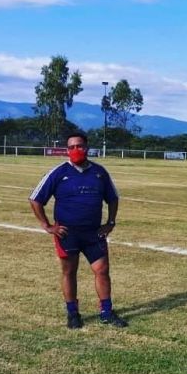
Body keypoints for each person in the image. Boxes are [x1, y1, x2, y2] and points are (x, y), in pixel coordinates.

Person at [29, 132, 127, 329]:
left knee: (102, 271)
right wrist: (47, 225)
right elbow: (35, 199)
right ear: (67, 150)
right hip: (67, 234)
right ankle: (73, 314)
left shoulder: (99, 172)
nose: (76, 150)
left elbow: (113, 198)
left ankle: (106, 312)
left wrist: (110, 222)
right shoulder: (58, 173)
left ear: (87, 148)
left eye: (79, 146)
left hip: (94, 233)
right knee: (69, 272)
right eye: (71, 147)